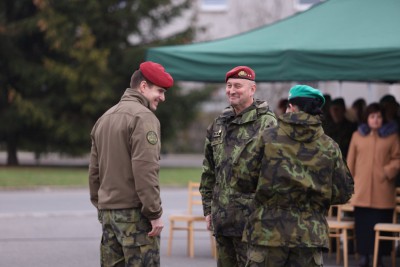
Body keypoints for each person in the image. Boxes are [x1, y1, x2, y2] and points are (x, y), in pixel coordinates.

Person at [243, 85, 354, 267]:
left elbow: (242, 179)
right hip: (309, 236)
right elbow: (344, 192)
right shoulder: (329, 146)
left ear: (292, 107)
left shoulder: (267, 138)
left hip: (268, 233)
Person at [88, 61, 173, 267]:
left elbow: (94, 173)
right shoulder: (143, 117)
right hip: (135, 215)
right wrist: (154, 213)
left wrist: (102, 206)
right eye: (159, 91)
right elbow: (145, 169)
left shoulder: (104, 118)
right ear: (143, 86)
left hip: (109, 215)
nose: (163, 97)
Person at [199, 66, 278, 267]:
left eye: (238, 86)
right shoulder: (218, 125)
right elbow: (209, 171)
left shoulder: (267, 123)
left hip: (253, 221)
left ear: (252, 89)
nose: (232, 90)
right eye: (229, 85)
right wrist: (208, 209)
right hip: (223, 219)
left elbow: (276, 174)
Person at [347, 103, 400, 267]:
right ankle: (364, 256)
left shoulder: (392, 137)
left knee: (380, 224)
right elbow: (350, 161)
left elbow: (397, 159)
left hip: (382, 191)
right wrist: (351, 182)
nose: (375, 120)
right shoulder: (357, 136)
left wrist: (386, 172)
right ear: (367, 119)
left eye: (378, 116)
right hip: (361, 190)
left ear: (383, 118)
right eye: (372, 116)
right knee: (362, 226)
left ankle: (379, 257)